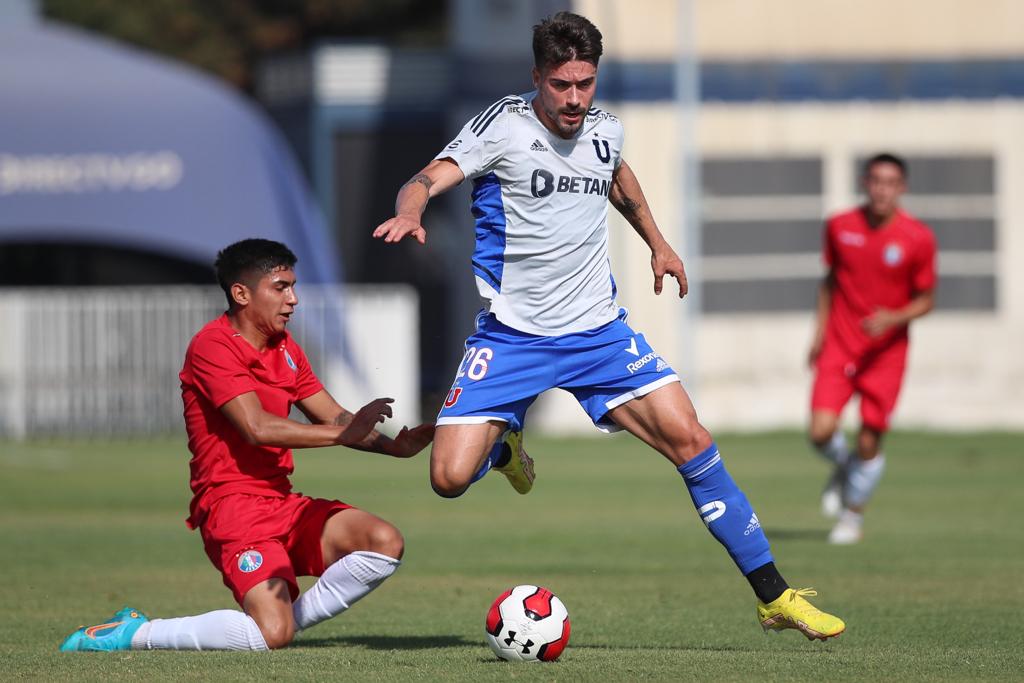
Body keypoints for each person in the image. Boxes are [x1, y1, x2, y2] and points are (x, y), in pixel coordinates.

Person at [373, 11, 844, 640]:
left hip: (599, 334)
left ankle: (774, 596)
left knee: (692, 441)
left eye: (586, 84)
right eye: (561, 84)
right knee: (448, 479)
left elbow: (619, 182)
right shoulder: (501, 127)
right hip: (512, 337)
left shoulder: (605, 131)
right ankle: (504, 448)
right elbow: (426, 177)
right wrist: (411, 212)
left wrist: (658, 243)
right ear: (537, 76)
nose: (574, 98)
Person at [60, 238, 434, 651]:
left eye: (293, 286)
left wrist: (393, 448)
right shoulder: (212, 347)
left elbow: (336, 418)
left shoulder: (286, 348)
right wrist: (342, 434)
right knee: (270, 636)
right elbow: (257, 427)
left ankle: (287, 621)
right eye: (280, 287)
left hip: (282, 503)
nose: (292, 299)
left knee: (384, 542)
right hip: (233, 509)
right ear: (241, 293)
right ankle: (135, 633)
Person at [808, 154, 937, 545]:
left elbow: (926, 299)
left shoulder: (917, 238)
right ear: (865, 183)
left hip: (886, 353)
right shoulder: (840, 226)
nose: (882, 188)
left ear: (902, 188)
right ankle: (846, 469)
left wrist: (894, 318)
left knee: (869, 440)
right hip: (841, 344)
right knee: (820, 432)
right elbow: (829, 281)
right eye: (876, 180)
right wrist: (818, 334)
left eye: (891, 182)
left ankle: (852, 518)